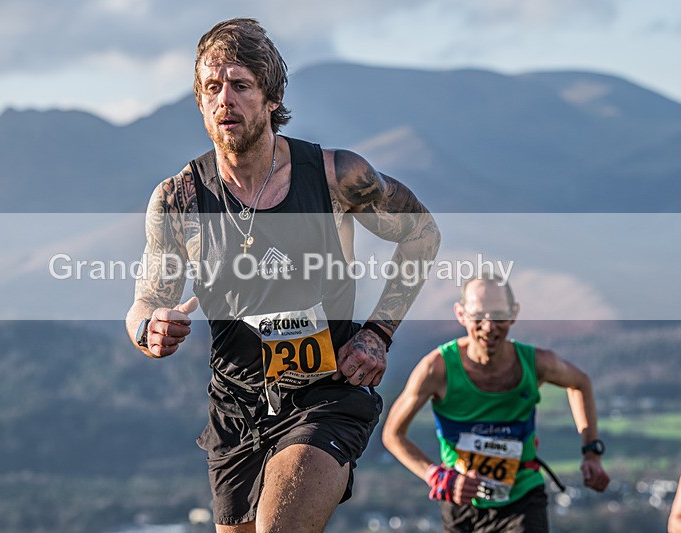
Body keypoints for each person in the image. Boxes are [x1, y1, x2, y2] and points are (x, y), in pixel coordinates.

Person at [125, 18, 440, 533]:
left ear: (271, 98)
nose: (224, 99)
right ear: (200, 102)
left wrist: (379, 332)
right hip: (236, 408)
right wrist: (149, 328)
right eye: (211, 87)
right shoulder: (179, 199)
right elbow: (144, 303)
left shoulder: (337, 176)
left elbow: (421, 234)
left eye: (240, 85)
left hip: (326, 393)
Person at [382, 275, 610, 533]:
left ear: (514, 314)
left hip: (522, 498)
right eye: (478, 316)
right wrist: (436, 476)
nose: (489, 327)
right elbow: (392, 434)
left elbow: (580, 382)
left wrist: (591, 453)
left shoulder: (535, 363)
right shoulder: (437, 368)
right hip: (461, 503)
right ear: (461, 314)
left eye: (499, 315)